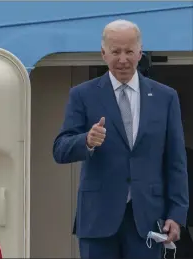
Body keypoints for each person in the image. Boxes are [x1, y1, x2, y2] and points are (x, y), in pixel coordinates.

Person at [53, 19, 189, 259]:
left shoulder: (165, 97)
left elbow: (176, 162)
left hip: (148, 219)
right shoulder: (82, 95)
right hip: (98, 219)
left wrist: (177, 215)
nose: (123, 59)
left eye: (129, 51)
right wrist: (87, 140)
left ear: (140, 52)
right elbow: (60, 149)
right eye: (116, 52)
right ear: (103, 53)